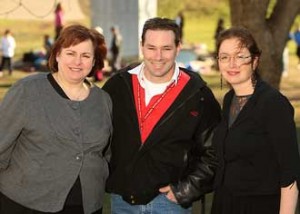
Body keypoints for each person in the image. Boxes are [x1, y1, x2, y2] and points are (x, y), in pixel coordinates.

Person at [102, 17, 221, 213]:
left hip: (169, 204)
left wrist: (186, 190)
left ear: (178, 47)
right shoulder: (118, 86)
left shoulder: (197, 94)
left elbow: (215, 152)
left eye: (166, 48)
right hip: (122, 202)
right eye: (151, 48)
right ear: (142, 47)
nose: (158, 56)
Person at [0, 24, 112, 214]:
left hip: (87, 206)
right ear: (57, 54)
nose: (77, 61)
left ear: (93, 61)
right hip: (26, 204)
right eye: (70, 53)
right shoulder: (27, 91)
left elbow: (106, 153)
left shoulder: (103, 100)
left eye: (85, 56)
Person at [211, 26, 300, 214]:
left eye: (240, 56)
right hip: (225, 203)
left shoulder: (273, 104)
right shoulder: (229, 100)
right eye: (225, 57)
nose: (232, 64)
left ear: (254, 61)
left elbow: (290, 172)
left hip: (259, 206)